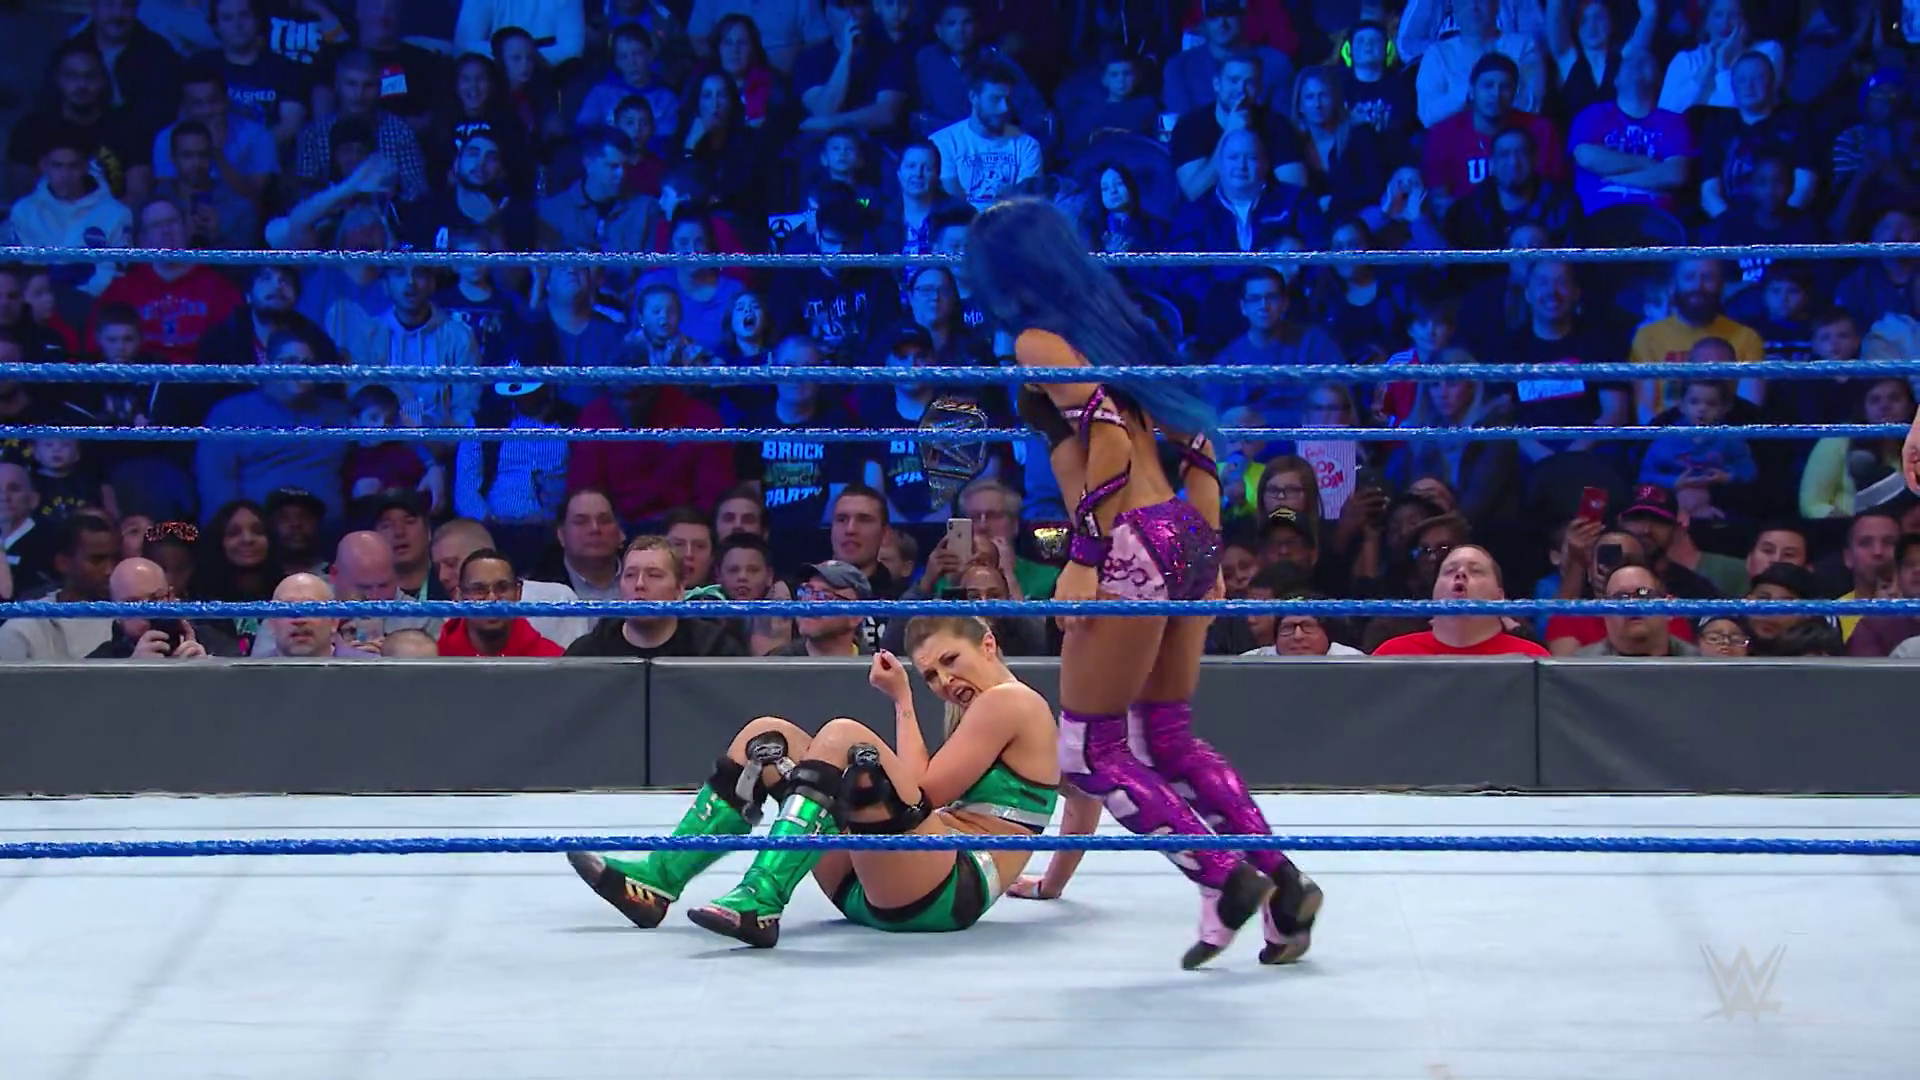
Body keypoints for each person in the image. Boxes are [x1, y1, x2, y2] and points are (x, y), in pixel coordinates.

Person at [966, 198, 1320, 969]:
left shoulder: (1039, 340)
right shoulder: (1119, 326)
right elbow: (1198, 437)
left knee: (1088, 751)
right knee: (1166, 738)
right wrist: (1209, 552)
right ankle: (1285, 889)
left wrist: (1085, 556)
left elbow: (1110, 438)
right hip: (1181, 533)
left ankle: (1222, 876)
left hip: (1127, 542)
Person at [566, 616, 1059, 947]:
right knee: (768, 738)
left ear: (988, 644)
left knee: (844, 736)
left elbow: (923, 793)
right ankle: (657, 879)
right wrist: (1051, 885)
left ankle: (761, 897)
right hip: (887, 883)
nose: (944, 682)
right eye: (930, 675)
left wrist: (904, 702)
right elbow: (1085, 789)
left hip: (946, 890)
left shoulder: (1008, 701)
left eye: (950, 661)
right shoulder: (986, 710)